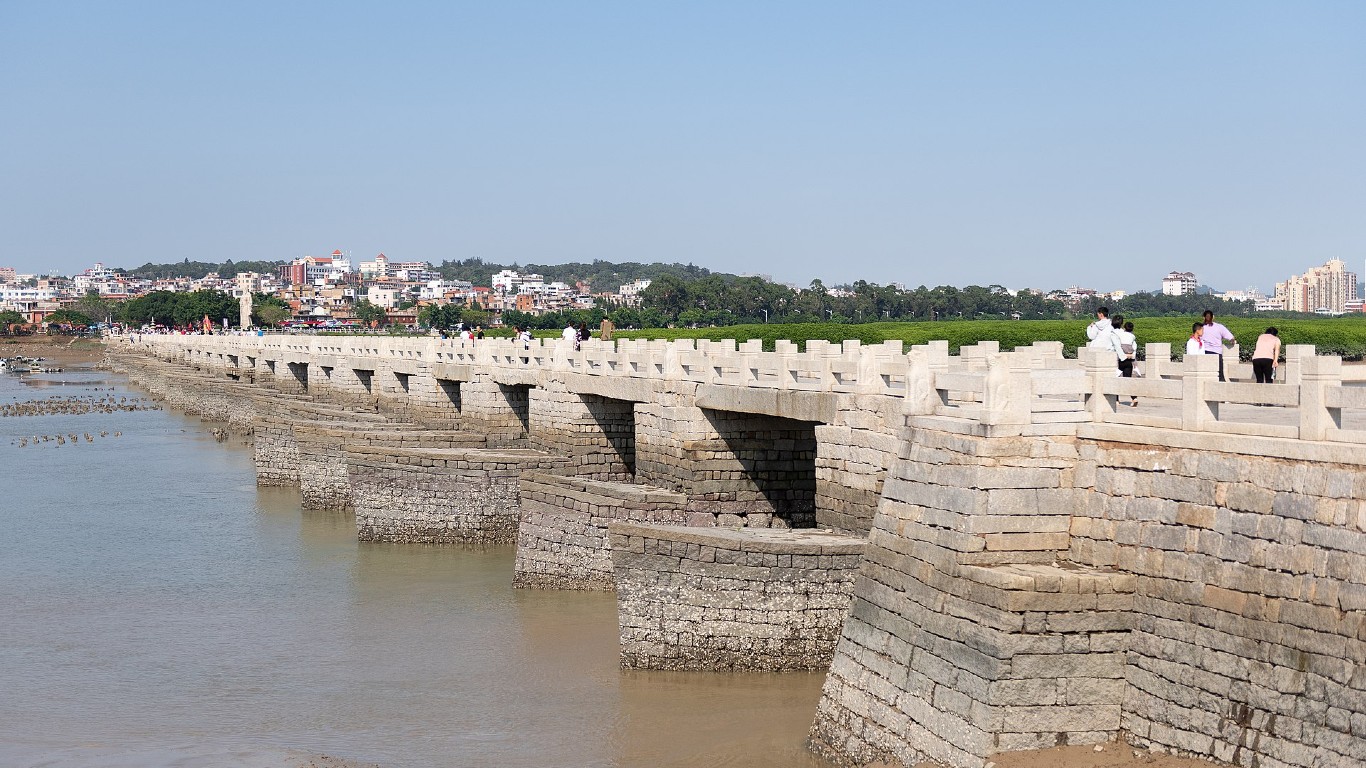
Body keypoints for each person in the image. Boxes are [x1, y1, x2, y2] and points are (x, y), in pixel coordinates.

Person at [1200, 310, 1236, 382]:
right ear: (1213, 317)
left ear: (1203, 317)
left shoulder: (1200, 328)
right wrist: (1233, 341)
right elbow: (1231, 338)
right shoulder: (1219, 327)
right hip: (1217, 353)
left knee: (1206, 375)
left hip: (1204, 353)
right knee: (1220, 375)